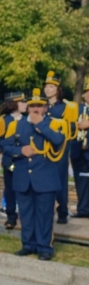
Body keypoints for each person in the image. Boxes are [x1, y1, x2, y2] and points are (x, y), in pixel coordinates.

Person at [1, 89, 67, 260]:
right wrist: (20, 150)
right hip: (23, 177)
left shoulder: (54, 123)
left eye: (39, 106)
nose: (35, 109)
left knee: (44, 215)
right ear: (27, 108)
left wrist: (40, 124)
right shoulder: (17, 125)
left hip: (45, 177)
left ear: (45, 108)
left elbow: (59, 141)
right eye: (32, 106)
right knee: (26, 214)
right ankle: (28, 245)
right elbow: (6, 146)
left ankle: (45, 247)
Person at [42, 71, 77, 225]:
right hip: (43, 148)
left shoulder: (66, 107)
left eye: (51, 86)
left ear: (57, 89)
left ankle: (62, 210)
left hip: (59, 149)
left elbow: (71, 128)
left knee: (60, 180)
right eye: (46, 86)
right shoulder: (41, 105)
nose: (48, 89)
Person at [0, 93, 25, 230]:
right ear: (14, 103)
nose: (25, 104)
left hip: (24, 160)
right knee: (10, 190)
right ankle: (11, 216)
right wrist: (10, 147)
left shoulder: (28, 120)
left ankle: (25, 216)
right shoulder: (1, 121)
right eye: (22, 102)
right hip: (10, 159)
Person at [70, 81, 89, 219]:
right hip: (78, 150)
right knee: (81, 181)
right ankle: (83, 209)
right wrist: (77, 125)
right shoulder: (78, 109)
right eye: (88, 92)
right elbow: (69, 126)